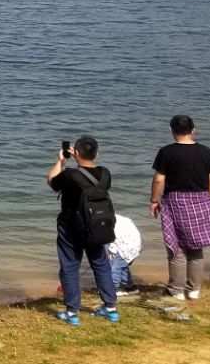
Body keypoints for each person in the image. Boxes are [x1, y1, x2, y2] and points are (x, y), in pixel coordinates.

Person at [150, 114, 210, 299]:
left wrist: (154, 200)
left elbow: (159, 179)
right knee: (196, 246)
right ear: (193, 130)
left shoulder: (166, 152)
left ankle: (176, 289)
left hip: (175, 201)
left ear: (171, 131)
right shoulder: (206, 152)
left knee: (176, 246)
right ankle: (194, 289)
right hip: (202, 200)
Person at [48, 135, 119, 325]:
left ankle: (72, 312)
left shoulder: (71, 175)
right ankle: (110, 308)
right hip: (97, 226)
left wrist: (60, 161)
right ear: (97, 153)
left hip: (71, 227)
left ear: (76, 153)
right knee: (100, 263)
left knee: (70, 266)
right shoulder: (105, 174)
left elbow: (52, 181)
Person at [105, 210, 143, 295]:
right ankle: (130, 287)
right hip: (134, 244)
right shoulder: (115, 219)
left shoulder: (108, 223)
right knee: (122, 266)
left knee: (115, 267)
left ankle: (113, 289)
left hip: (127, 246)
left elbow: (112, 244)